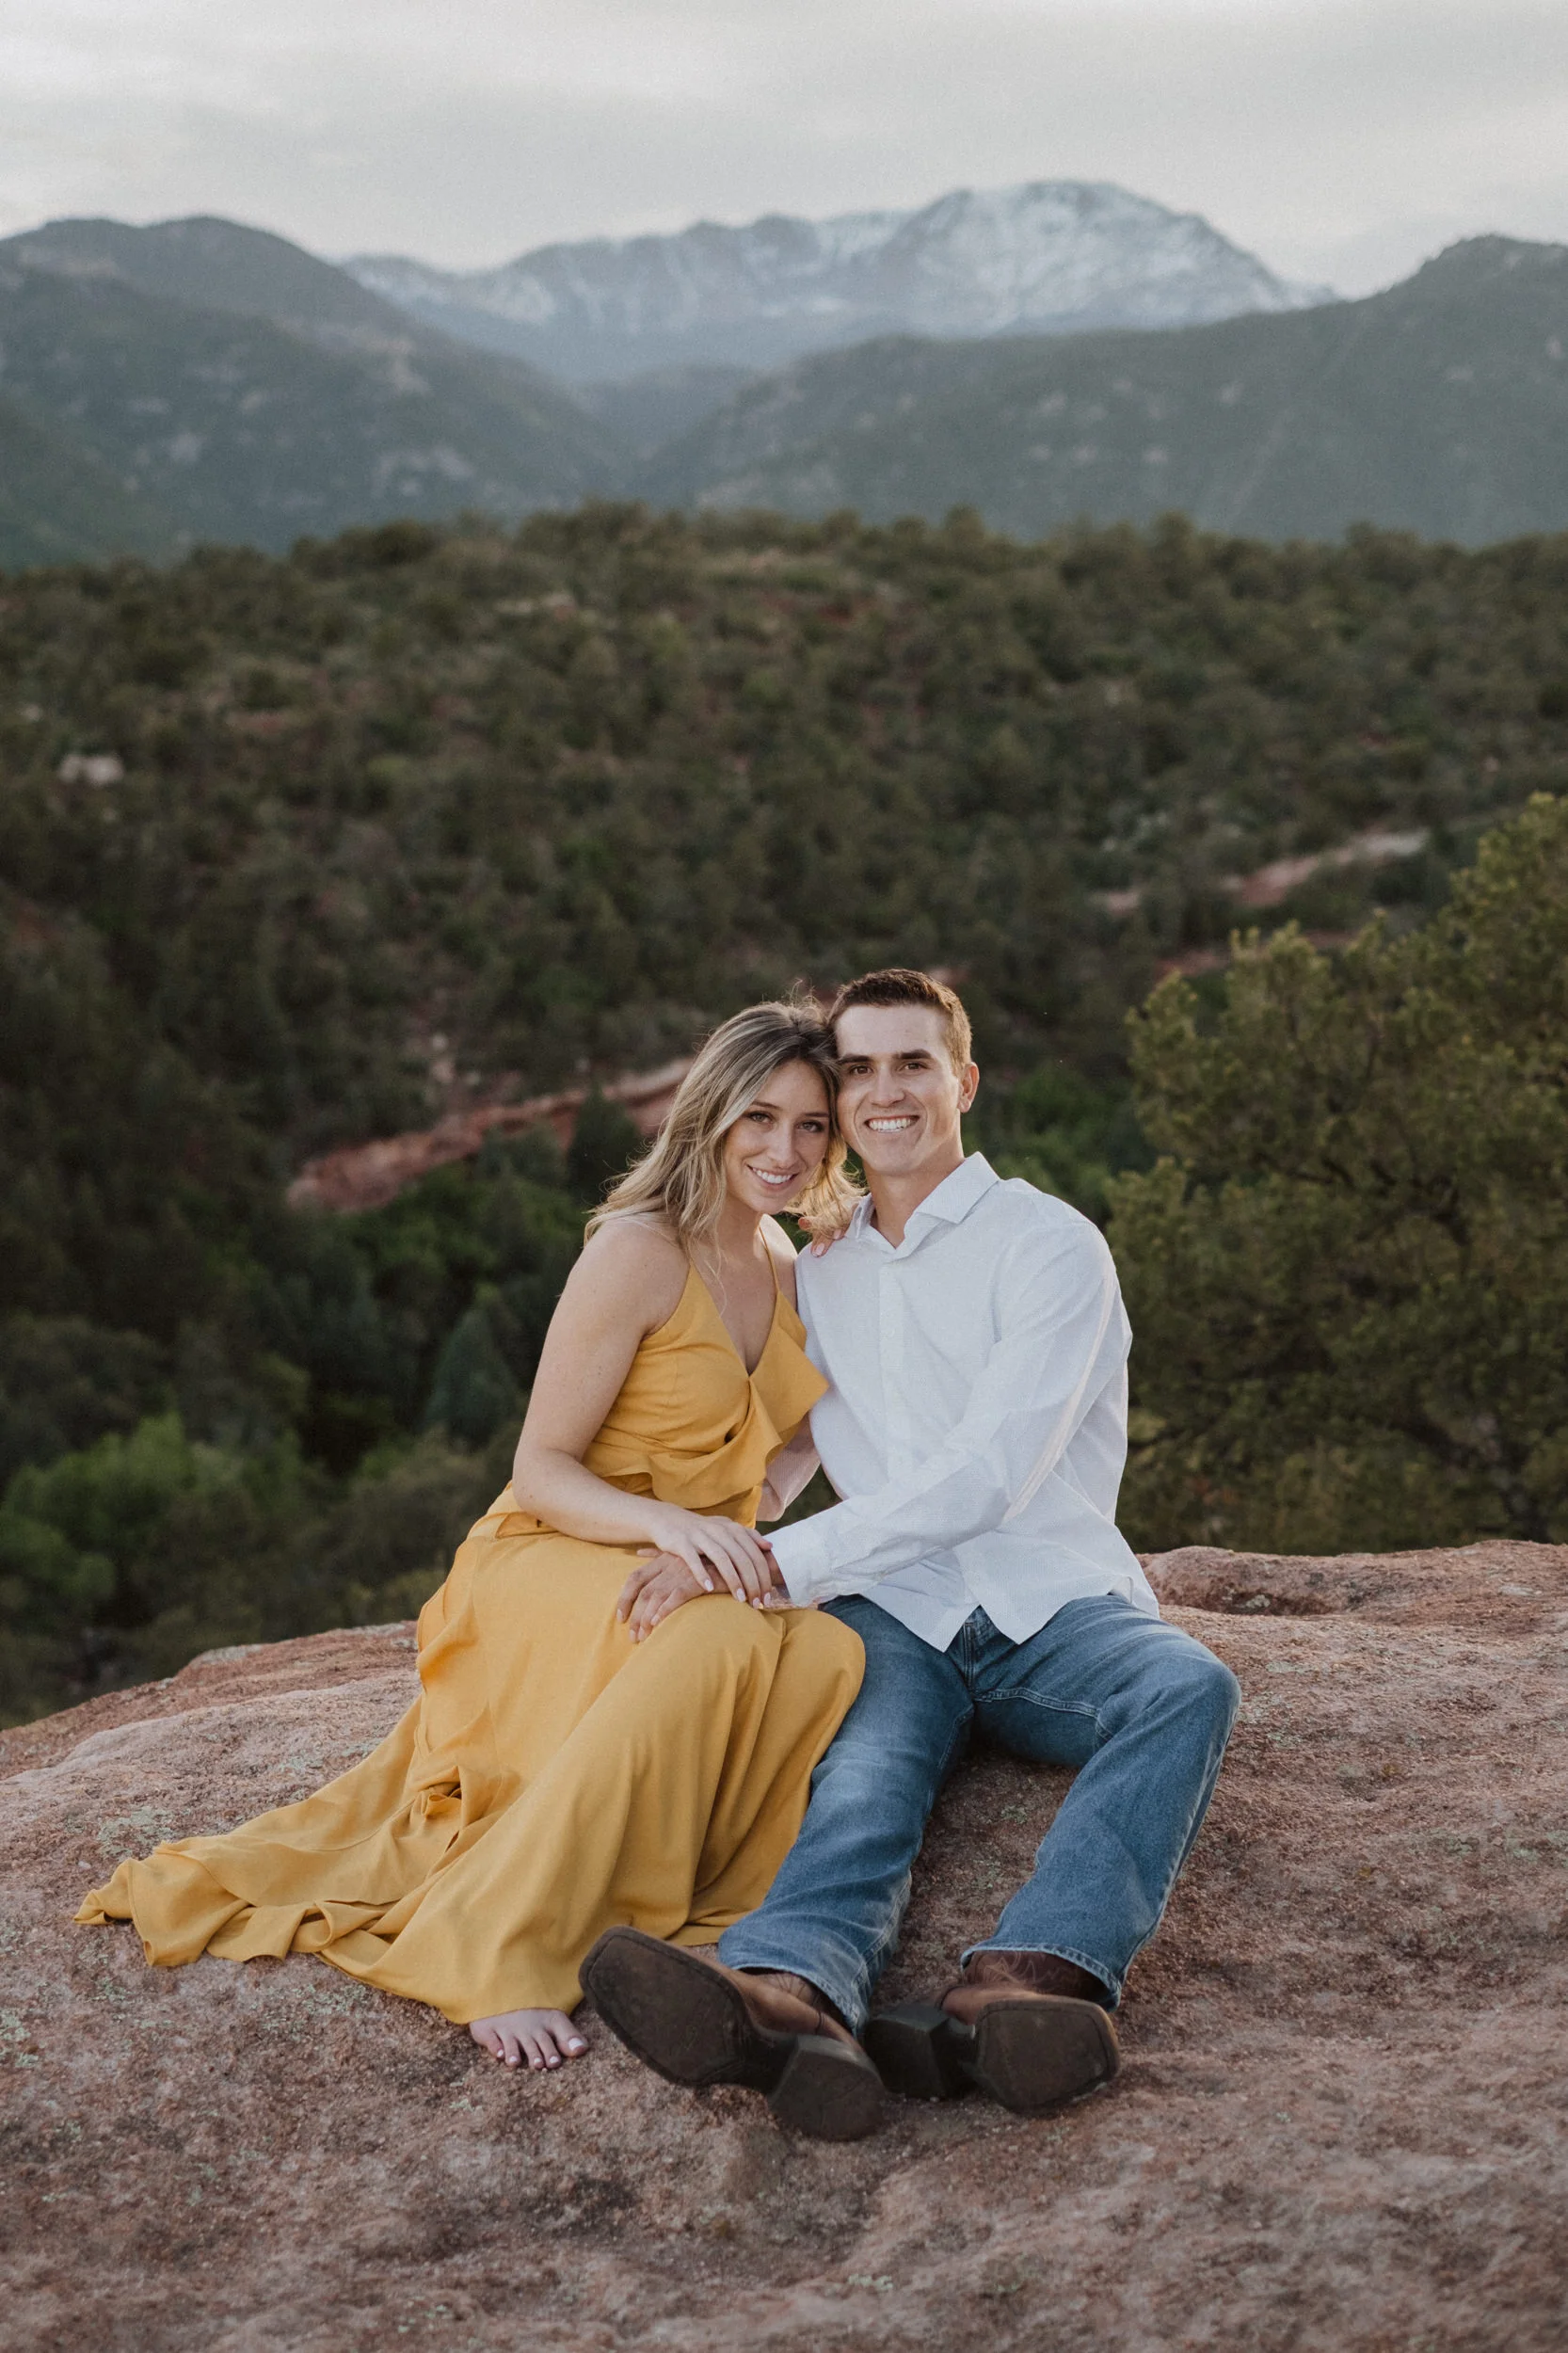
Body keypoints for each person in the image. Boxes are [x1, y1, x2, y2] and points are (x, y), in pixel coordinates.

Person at [78, 1000, 881, 2133]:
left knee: (827, 1651)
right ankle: (496, 1938)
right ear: (708, 1112)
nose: (784, 1149)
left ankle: (664, 1892)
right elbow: (540, 1467)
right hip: (550, 1550)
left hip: (675, 1559)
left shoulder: (787, 1262)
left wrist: (739, 1532)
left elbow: (792, 1446)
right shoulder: (638, 1250)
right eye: (760, 1117)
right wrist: (673, 1532)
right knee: (710, 1638)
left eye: (810, 1126)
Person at [584, 968, 1241, 2133]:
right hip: (894, 1604)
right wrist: (704, 1542)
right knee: (868, 1770)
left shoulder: (1048, 1245)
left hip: (1052, 1603)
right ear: (837, 1099)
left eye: (912, 1063)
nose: (884, 1090)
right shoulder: (818, 1268)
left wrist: (774, 1565)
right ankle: (792, 1997)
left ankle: (1027, 1982)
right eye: (857, 1069)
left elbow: (991, 1474)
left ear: (963, 1082)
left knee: (1186, 1686)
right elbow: (786, 1439)